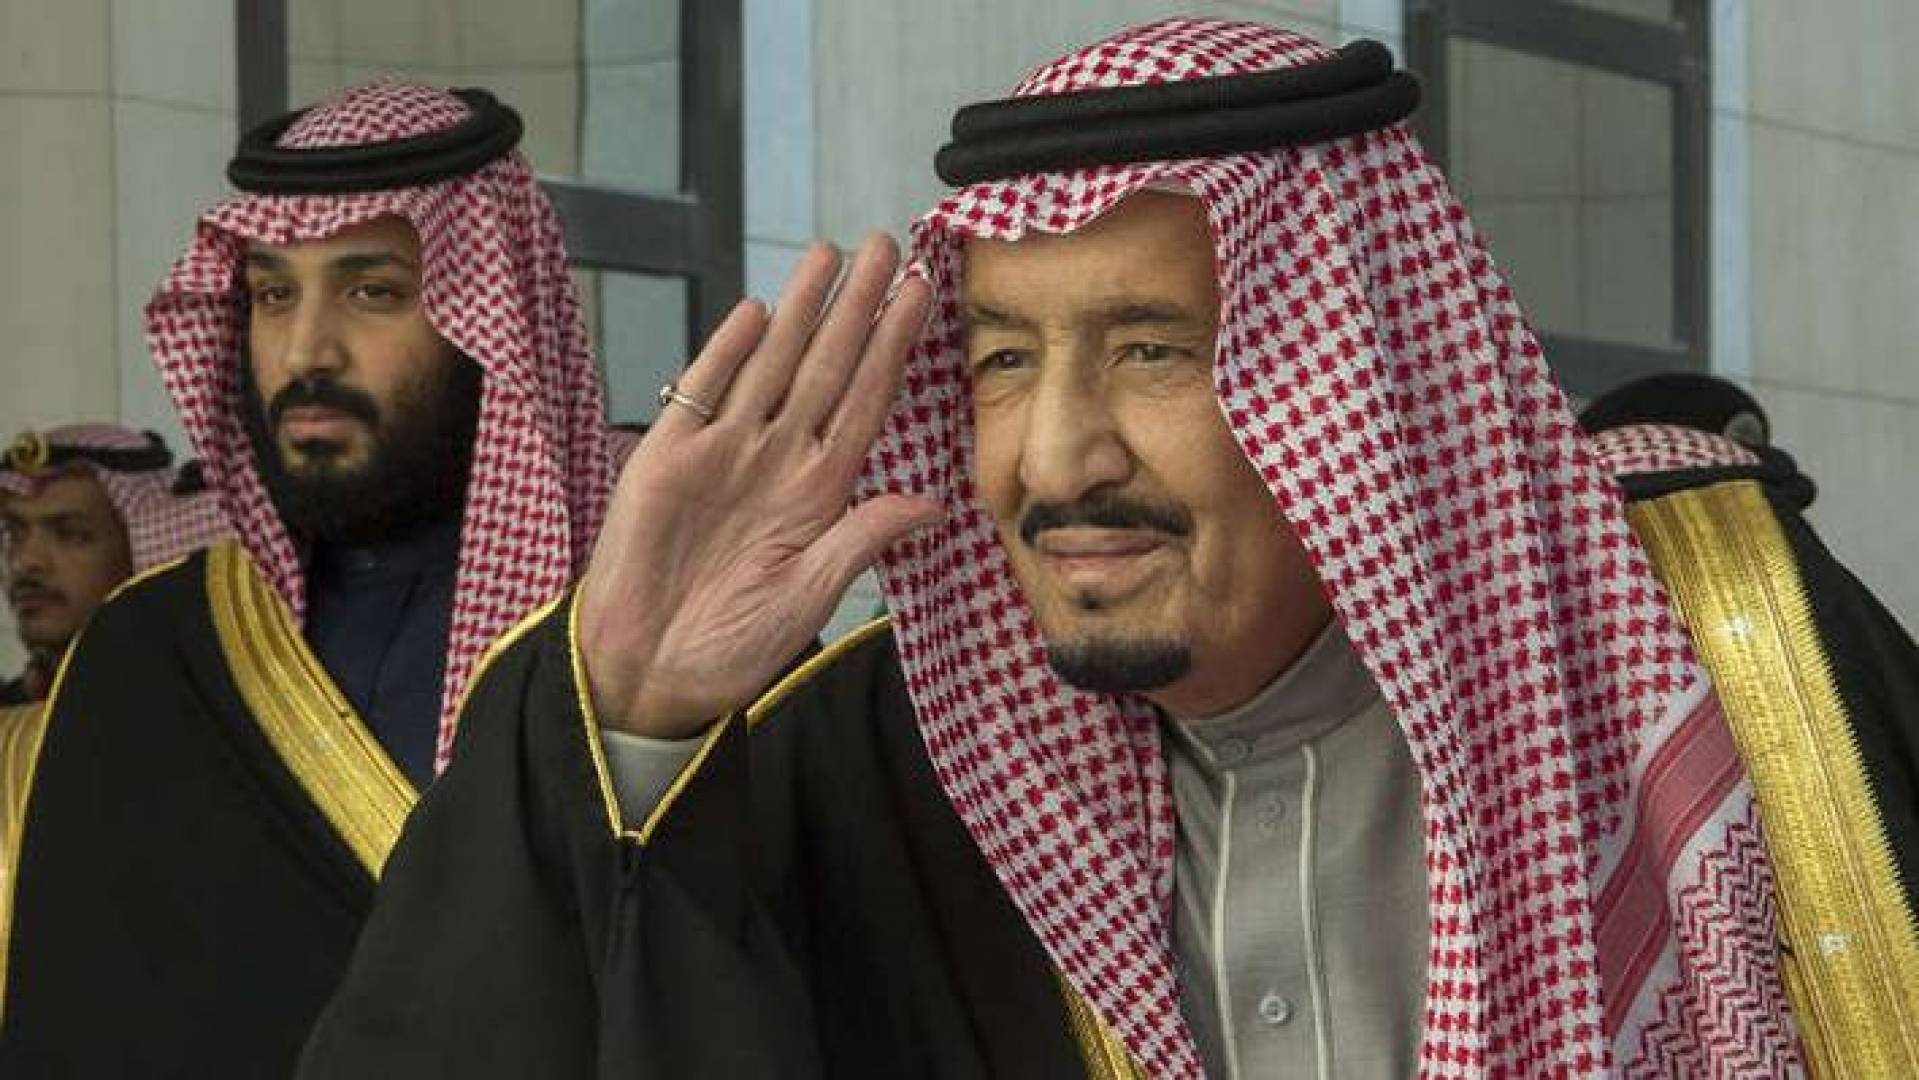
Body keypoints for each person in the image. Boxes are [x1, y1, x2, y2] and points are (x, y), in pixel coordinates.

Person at [302, 20, 1916, 1078]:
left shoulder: (1711, 666)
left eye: (1154, 350)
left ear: (1353, 379)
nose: (1053, 458)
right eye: (1001, 360)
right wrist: (630, 712)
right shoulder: (872, 770)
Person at [0, 81, 611, 1076]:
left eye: (372, 292)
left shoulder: (641, 646)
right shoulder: (148, 652)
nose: (304, 351)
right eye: (273, 294)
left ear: (491, 318)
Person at [0, 425, 228, 705]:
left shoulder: (202, 714)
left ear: (140, 548)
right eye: (13, 533)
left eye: (72, 534)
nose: (25, 562)